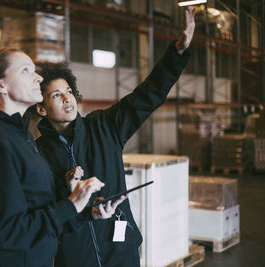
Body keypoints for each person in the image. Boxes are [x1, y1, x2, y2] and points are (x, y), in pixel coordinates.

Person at [33, 7, 196, 267]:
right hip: (76, 258)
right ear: (41, 108)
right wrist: (66, 188)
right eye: (56, 95)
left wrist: (177, 53)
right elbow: (42, 209)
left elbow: (147, 96)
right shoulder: (38, 152)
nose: (67, 99)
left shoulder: (104, 126)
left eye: (68, 91)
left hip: (120, 251)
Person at [0, 47, 109, 267]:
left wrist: (86, 213)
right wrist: (72, 204)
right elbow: (9, 231)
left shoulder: (19, 135)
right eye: (26, 71)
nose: (38, 78)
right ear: (0, 85)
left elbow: (37, 215)